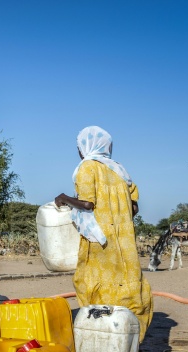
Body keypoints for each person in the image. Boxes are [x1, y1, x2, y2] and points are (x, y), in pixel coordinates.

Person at [54, 126, 153, 340]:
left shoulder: (87, 167)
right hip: (124, 240)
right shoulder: (120, 170)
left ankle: (104, 336)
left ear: (85, 147)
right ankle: (128, 335)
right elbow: (134, 208)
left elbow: (88, 204)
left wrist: (63, 198)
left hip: (99, 240)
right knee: (128, 282)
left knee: (91, 282)